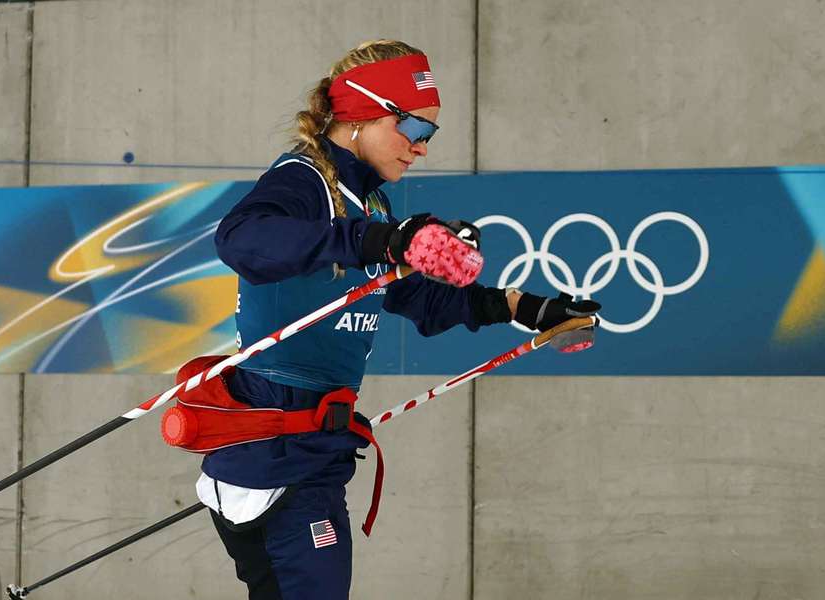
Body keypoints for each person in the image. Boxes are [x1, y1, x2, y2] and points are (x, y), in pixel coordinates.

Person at [195, 39, 600, 600]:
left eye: (429, 134)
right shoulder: (306, 179)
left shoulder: (374, 206)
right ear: (362, 111)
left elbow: (423, 301)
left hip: (315, 450)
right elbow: (240, 238)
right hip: (273, 454)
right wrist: (387, 240)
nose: (422, 148)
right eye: (415, 128)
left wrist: (527, 309)